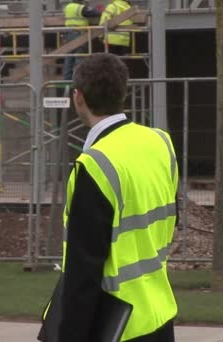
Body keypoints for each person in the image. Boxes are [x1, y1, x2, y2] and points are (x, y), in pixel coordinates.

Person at [39, 53, 178, 342]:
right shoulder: (160, 142)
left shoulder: (94, 166)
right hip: (159, 314)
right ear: (122, 93)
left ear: (78, 97)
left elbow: (83, 273)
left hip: (117, 326)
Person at [62, 0, 103, 80]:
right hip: (79, 34)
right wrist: (100, 10)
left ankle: (66, 82)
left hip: (68, 34)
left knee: (69, 59)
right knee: (79, 58)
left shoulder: (67, 7)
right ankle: (79, 81)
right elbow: (94, 13)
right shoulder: (81, 8)